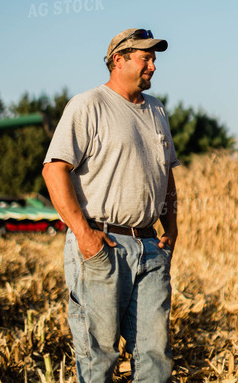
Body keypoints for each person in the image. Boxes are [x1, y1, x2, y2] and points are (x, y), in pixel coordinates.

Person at [42, 28, 179, 383]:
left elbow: (167, 175)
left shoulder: (156, 110)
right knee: (99, 357)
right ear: (119, 60)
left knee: (155, 356)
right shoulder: (89, 105)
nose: (152, 67)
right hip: (102, 246)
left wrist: (172, 229)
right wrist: (83, 234)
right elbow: (54, 170)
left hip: (150, 246)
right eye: (145, 58)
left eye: (153, 59)